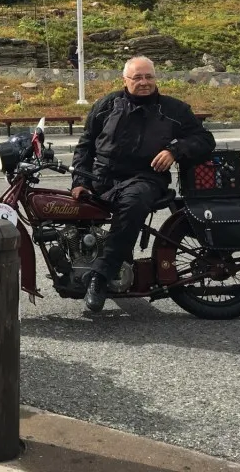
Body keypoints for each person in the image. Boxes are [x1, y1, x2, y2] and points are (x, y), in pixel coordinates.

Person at [70, 55, 215, 313]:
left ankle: (100, 277)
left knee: (132, 202)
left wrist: (175, 150)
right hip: (102, 178)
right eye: (137, 77)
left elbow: (204, 140)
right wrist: (80, 181)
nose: (144, 82)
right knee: (65, 209)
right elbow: (85, 146)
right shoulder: (106, 105)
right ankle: (85, 263)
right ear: (125, 80)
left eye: (149, 76)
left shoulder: (174, 110)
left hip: (146, 178)